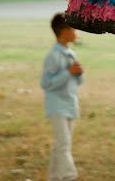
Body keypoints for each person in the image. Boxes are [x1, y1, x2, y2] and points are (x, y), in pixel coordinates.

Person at [41, 14, 84, 181]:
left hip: (70, 104)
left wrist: (78, 74)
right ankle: (69, 175)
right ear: (64, 31)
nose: (76, 31)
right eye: (73, 28)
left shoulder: (71, 54)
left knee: (61, 145)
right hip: (57, 106)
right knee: (64, 144)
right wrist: (68, 73)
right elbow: (46, 83)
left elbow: (78, 81)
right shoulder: (53, 56)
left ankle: (54, 176)